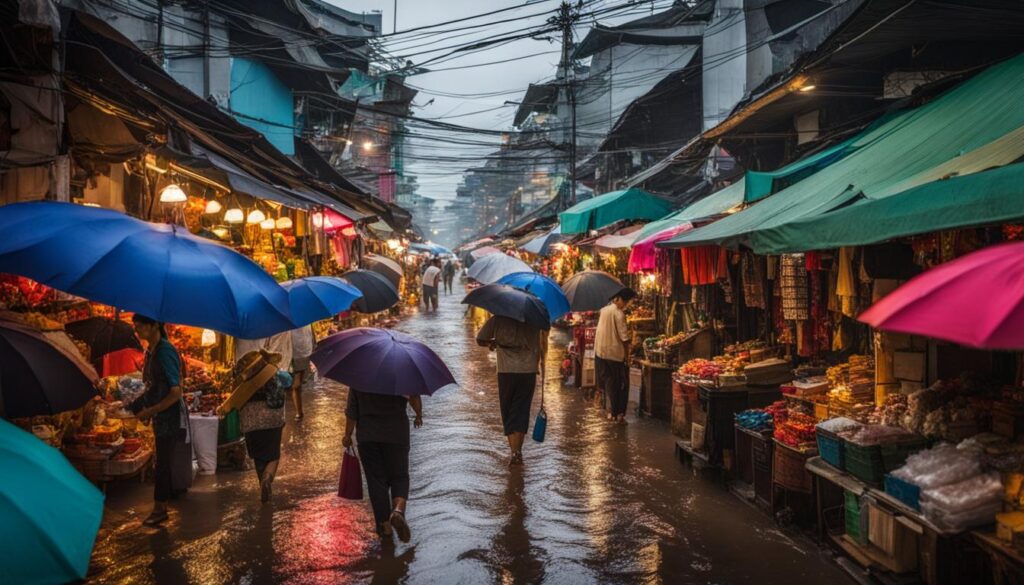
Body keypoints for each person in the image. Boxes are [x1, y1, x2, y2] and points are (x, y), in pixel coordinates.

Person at [129, 314, 191, 527]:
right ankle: (165, 498)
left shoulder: (164, 351)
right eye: (135, 327)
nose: (137, 331)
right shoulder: (152, 351)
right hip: (159, 415)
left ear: (154, 325)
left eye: (140, 327)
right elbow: (154, 385)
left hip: (169, 417)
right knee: (162, 459)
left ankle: (160, 508)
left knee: (163, 462)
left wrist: (152, 410)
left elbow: (175, 391)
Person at [343, 389, 423, 542]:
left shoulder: (359, 377)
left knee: (376, 482)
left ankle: (385, 527)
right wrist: (419, 415)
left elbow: (352, 411)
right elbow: (414, 396)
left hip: (368, 436)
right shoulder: (402, 371)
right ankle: (398, 511)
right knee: (399, 476)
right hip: (397, 434)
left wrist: (347, 434)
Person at [218, 350, 291, 503]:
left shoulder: (242, 387)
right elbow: (289, 380)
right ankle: (267, 479)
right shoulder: (274, 375)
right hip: (272, 421)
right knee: (273, 456)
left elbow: (232, 405)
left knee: (258, 457)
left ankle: (262, 484)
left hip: (251, 424)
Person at [476, 315, 548, 467]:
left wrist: (493, 343)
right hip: (528, 371)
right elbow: (542, 345)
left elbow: (480, 339)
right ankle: (517, 451)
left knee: (508, 411)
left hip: (506, 371)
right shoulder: (535, 319)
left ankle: (514, 452)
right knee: (521, 411)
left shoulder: (498, 318)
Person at [594, 288, 637, 424]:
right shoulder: (619, 313)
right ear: (621, 299)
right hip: (615, 354)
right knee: (621, 385)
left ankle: (611, 413)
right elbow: (624, 338)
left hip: (601, 352)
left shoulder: (604, 310)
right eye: (627, 302)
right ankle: (619, 414)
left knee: (609, 382)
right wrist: (628, 355)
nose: (627, 305)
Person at [290, 325, 315, 421]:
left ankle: (299, 412)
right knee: (296, 384)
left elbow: (310, 335)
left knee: (297, 384)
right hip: (293, 351)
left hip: (301, 352)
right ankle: (298, 412)